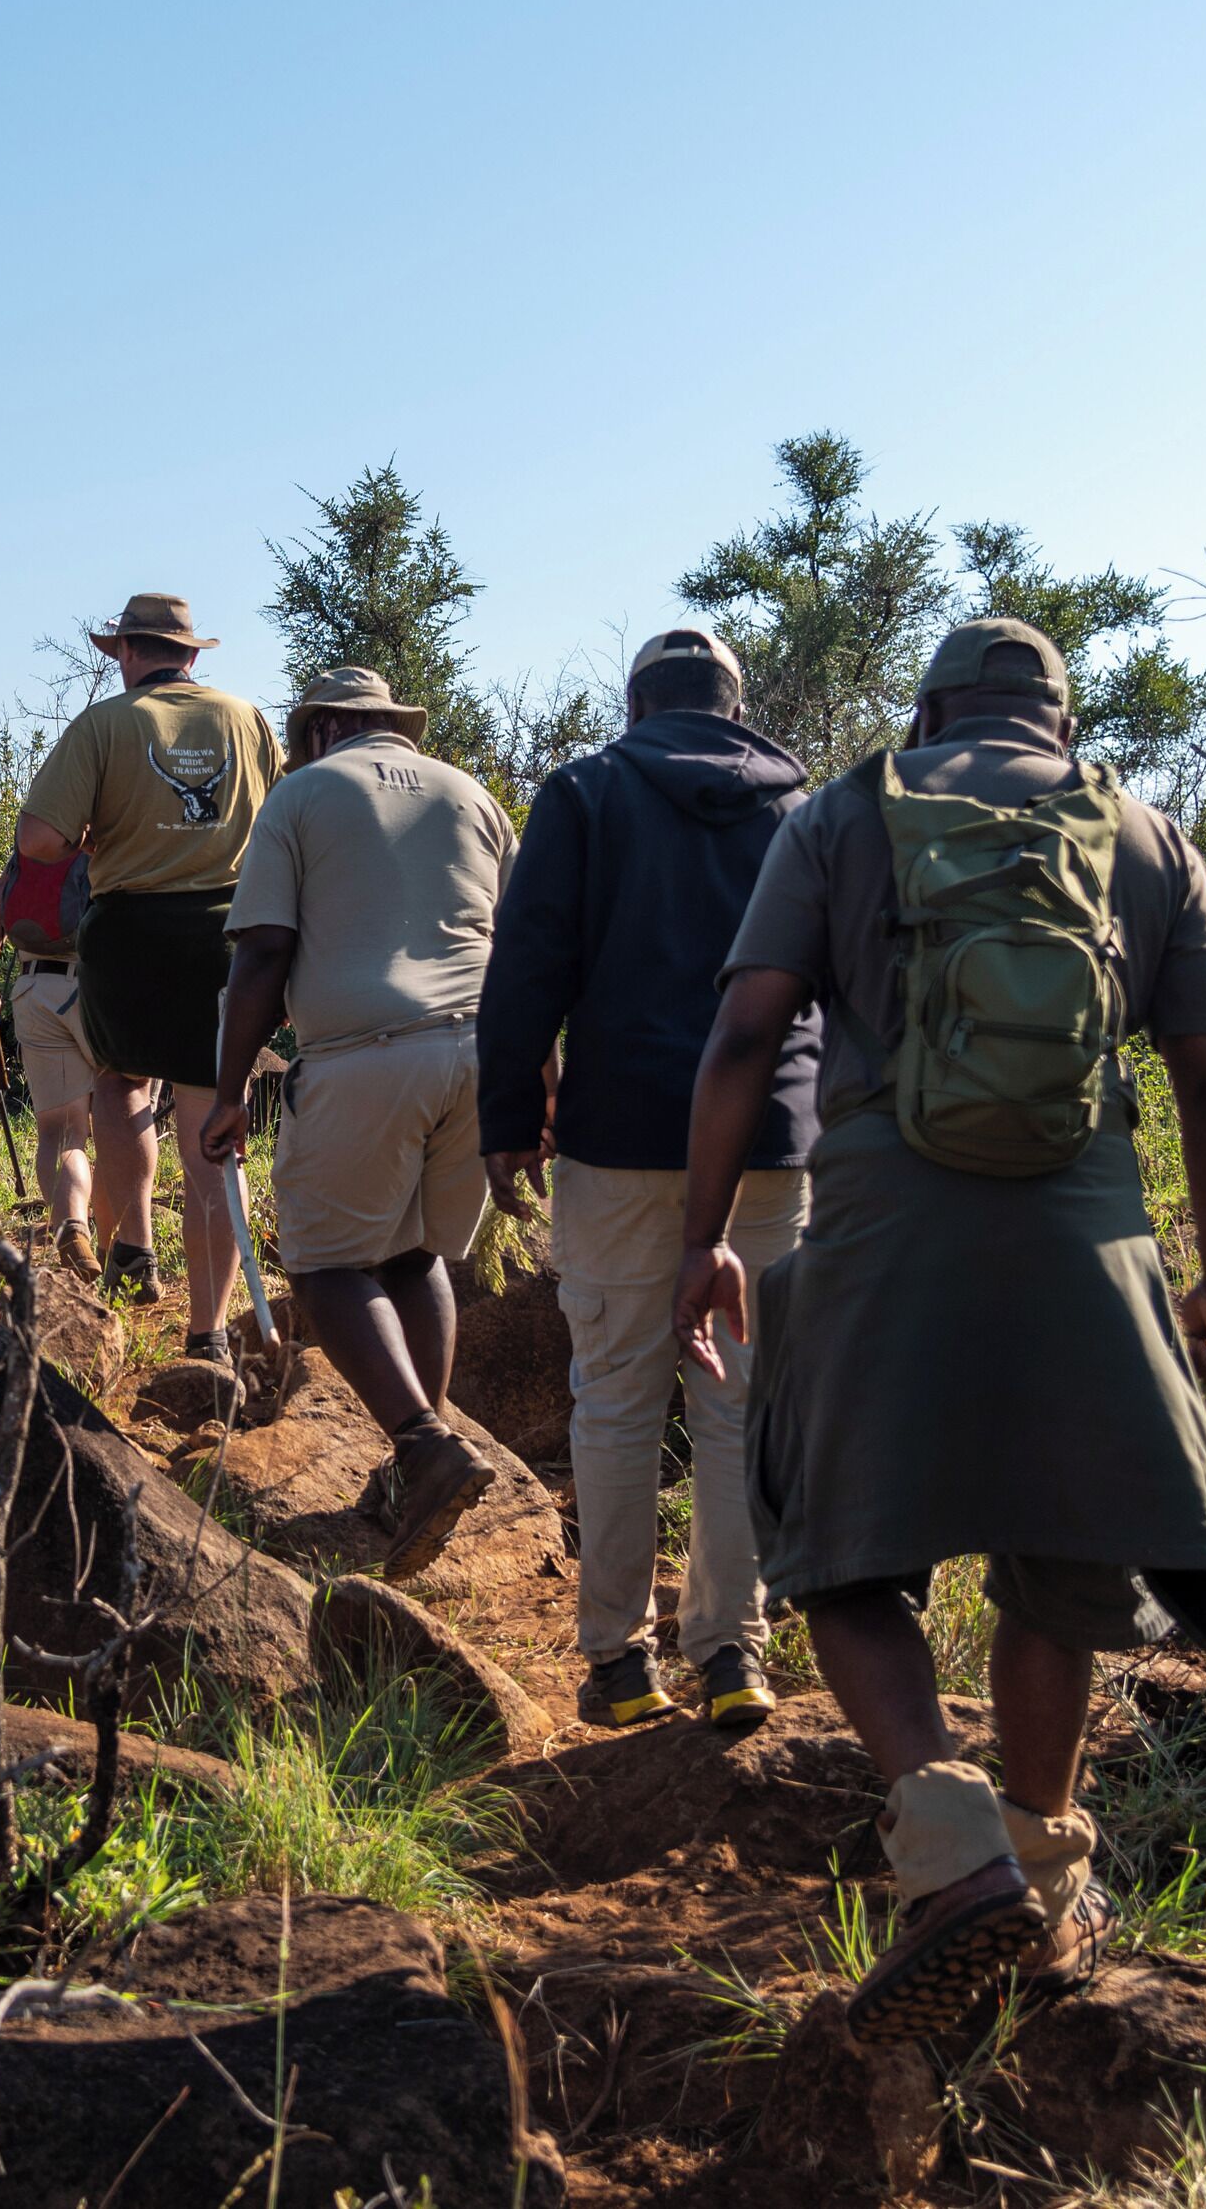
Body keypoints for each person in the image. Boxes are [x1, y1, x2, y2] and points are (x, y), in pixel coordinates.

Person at [673, 616, 1206, 2047]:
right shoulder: (1146, 833)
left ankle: (953, 1852)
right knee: (1059, 1563)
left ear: (930, 708)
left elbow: (749, 1034)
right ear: (1060, 722)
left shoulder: (843, 814)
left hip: (884, 1221)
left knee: (834, 1536)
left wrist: (701, 1236)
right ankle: (1047, 1873)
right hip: (1089, 1236)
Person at [474, 625, 820, 1735]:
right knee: (741, 1402)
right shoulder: (798, 807)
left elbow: (528, 961)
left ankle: (619, 1660)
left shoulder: (587, 794)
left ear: (639, 708)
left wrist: (509, 1118)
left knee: (617, 1395)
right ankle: (733, 1652)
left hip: (619, 1134)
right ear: (733, 704)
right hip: (768, 1142)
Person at [202, 666, 512, 1578]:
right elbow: (525, 936)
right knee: (415, 1255)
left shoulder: (303, 796)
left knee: (327, 1264)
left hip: (369, 1052)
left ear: (326, 726)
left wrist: (229, 1091)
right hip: (484, 1049)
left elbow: (264, 950)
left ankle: (421, 1446)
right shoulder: (473, 795)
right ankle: (419, 1453)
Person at [16, 593, 284, 1365]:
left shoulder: (106, 723)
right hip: (228, 940)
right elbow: (279, 824)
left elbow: (39, 840)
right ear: (191, 655)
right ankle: (209, 1334)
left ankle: (133, 1247)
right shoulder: (248, 719)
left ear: (128, 654)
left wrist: (99, 833)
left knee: (120, 1086)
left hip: (129, 936)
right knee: (213, 1139)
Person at [0, 843, 105, 1275]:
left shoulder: (34, 841)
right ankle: (126, 1248)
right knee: (120, 1115)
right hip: (107, 989)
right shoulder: (119, 827)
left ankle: (73, 1226)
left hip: (38, 988)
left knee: (61, 1133)